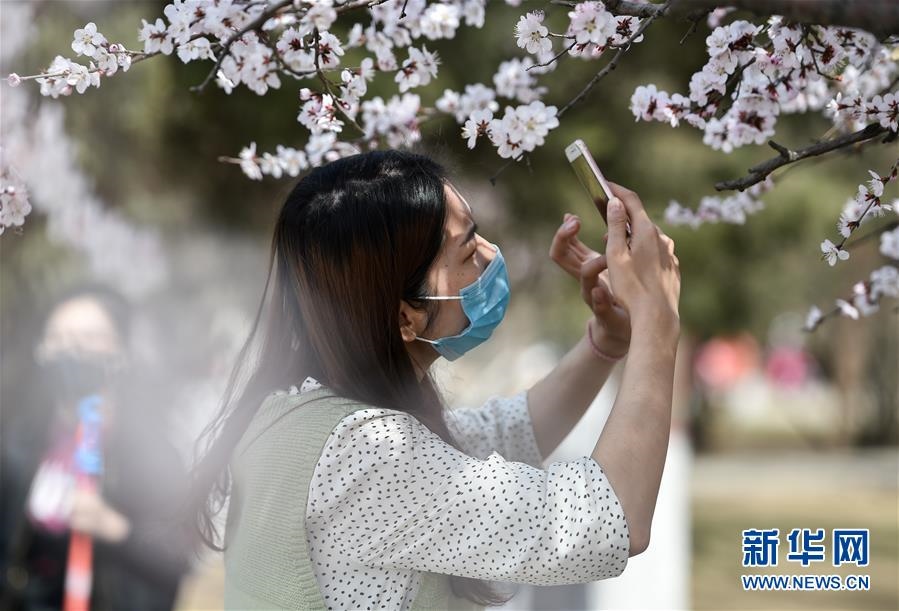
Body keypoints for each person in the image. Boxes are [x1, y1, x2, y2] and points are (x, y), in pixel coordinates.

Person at [184, 148, 681, 610]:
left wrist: (607, 342)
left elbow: (503, 433)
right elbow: (608, 518)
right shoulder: (371, 455)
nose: (490, 255)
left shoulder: (296, 418)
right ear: (406, 317)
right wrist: (657, 320)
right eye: (467, 254)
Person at [0, 283, 193, 611]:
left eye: (88, 338)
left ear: (123, 351)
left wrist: (113, 526)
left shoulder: (152, 456)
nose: (70, 349)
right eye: (57, 338)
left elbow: (180, 555)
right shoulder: (20, 441)